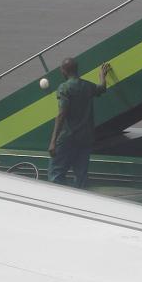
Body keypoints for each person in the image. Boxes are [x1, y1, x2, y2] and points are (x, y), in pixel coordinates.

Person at [48, 58, 110, 188]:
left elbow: (61, 115)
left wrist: (53, 141)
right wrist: (102, 76)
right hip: (85, 138)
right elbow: (102, 88)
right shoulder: (88, 86)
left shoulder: (64, 88)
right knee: (81, 176)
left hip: (67, 138)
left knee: (56, 174)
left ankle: (59, 197)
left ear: (63, 71)